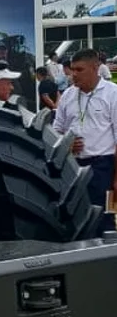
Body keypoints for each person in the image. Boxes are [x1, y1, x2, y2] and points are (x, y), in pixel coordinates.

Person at [53, 48, 117, 234]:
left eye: (79, 70)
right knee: (76, 217)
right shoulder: (68, 95)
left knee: (105, 218)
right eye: (72, 69)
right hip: (73, 166)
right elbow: (57, 129)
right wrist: (66, 144)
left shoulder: (112, 94)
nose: (73, 75)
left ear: (95, 68)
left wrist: (116, 178)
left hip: (103, 166)